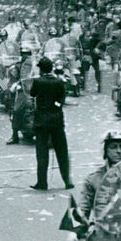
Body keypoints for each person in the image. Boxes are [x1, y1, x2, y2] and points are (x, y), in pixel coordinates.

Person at [29, 56, 73, 190]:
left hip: (42, 121)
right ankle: (67, 180)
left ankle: (42, 182)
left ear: (41, 69)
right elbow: (61, 99)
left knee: (42, 153)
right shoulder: (59, 82)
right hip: (57, 120)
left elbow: (32, 94)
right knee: (62, 151)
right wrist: (56, 105)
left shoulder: (38, 82)